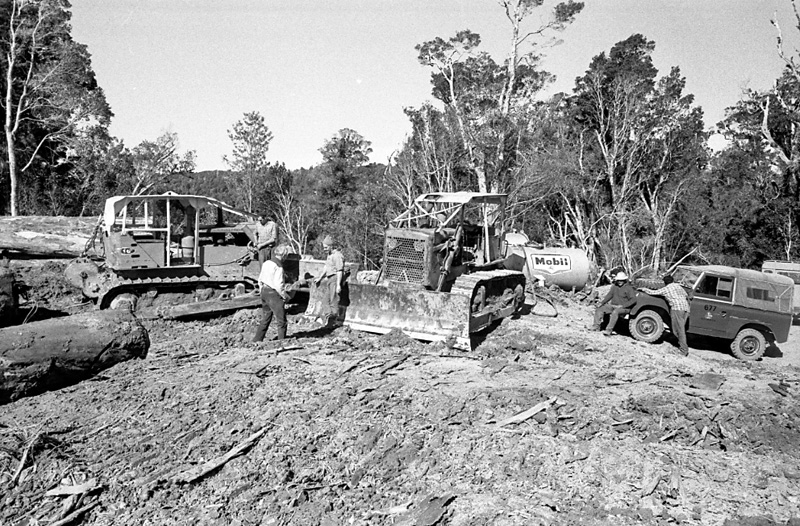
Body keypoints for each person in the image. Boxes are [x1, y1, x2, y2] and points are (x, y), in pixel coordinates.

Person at [252, 245, 295, 342]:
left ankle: (257, 340)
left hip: (264, 291)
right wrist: (285, 296)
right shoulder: (279, 267)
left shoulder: (266, 263)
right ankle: (281, 342)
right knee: (281, 321)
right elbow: (279, 285)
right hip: (273, 294)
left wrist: (261, 290)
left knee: (266, 318)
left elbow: (260, 279)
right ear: (284, 255)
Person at [640, 274, 691, 356]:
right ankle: (681, 346)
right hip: (686, 309)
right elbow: (686, 296)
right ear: (672, 280)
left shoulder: (667, 289)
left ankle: (683, 350)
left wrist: (644, 289)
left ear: (665, 282)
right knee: (680, 329)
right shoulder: (678, 286)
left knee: (678, 330)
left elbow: (654, 292)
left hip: (677, 308)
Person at [591, 271, 638, 336]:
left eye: (621, 280)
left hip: (624, 308)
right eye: (618, 280)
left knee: (615, 312)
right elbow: (609, 295)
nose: (619, 282)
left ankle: (608, 330)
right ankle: (596, 326)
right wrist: (602, 303)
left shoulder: (629, 288)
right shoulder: (614, 287)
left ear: (624, 280)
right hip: (613, 305)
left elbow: (633, 300)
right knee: (600, 309)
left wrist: (623, 306)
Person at [315, 235, 345, 325]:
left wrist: (338, 285)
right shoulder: (329, 255)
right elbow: (326, 267)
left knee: (333, 301)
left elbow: (339, 270)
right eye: (324, 247)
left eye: (326, 247)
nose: (324, 249)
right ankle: (329, 318)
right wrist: (320, 278)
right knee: (325, 301)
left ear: (331, 246)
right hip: (329, 279)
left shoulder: (337, 256)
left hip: (335, 279)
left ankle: (333, 321)